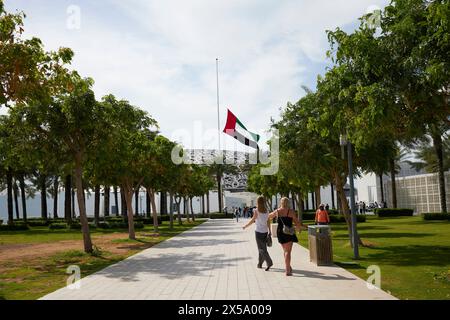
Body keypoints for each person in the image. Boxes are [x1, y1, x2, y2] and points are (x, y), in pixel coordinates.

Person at [268, 197, 302, 276]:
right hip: (289, 232)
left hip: (280, 232)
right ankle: (287, 270)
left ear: (281, 203)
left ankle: (288, 267)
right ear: (288, 203)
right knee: (288, 252)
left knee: (285, 251)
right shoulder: (291, 212)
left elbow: (269, 216)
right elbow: (296, 222)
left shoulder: (277, 211)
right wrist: (299, 229)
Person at [243, 196, 273, 271]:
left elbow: (253, 220)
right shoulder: (267, 210)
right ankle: (259, 264)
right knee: (263, 248)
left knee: (261, 249)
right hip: (265, 231)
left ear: (258, 202)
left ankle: (269, 262)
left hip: (258, 232)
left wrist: (246, 226)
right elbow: (268, 221)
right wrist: (269, 230)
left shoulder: (256, 211)